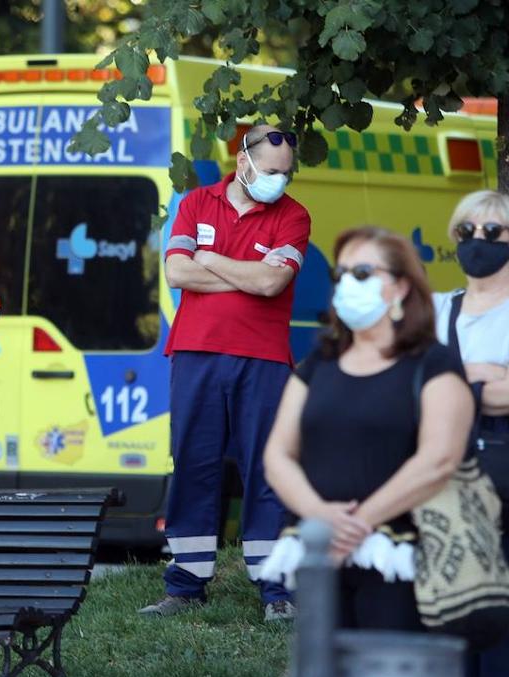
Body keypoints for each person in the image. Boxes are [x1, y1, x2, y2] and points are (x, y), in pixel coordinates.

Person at [262, 226, 472, 631]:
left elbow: (439, 459)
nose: (346, 285)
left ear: (401, 287)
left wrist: (357, 526)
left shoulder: (434, 364)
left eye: (362, 273)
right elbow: (277, 455)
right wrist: (321, 517)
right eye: (340, 275)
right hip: (320, 554)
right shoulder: (319, 364)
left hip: (403, 559)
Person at [139, 125, 309, 621]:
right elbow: (176, 273)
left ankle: (276, 590)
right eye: (271, 171)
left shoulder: (294, 215)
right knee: (194, 462)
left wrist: (211, 260)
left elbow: (273, 282)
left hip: (265, 358)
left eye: (285, 173)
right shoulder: (195, 202)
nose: (278, 181)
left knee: (267, 468)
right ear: (243, 164)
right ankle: (185, 586)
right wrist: (244, 275)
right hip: (195, 353)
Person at [432, 191, 509, 677]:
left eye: (494, 231)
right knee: (456, 615)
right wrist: (486, 382)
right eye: (468, 231)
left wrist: (461, 384)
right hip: (449, 479)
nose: (479, 241)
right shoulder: (438, 310)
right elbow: (414, 393)